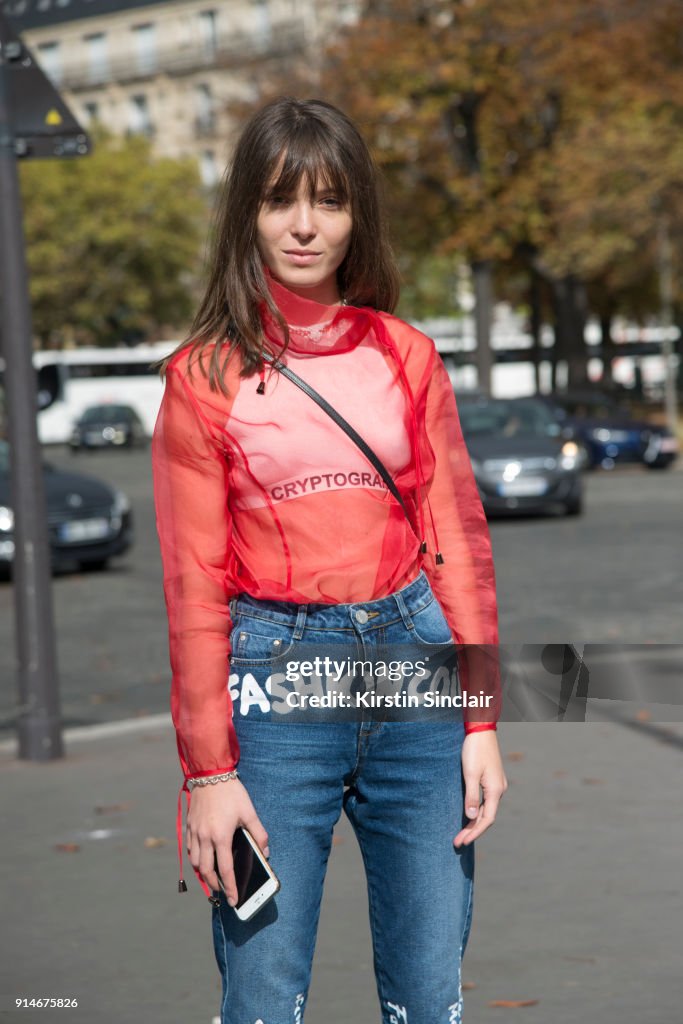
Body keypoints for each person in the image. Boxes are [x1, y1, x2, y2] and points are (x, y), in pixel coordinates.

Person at [152, 96, 507, 1024]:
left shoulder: (407, 356)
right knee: (264, 996)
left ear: (359, 217)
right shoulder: (201, 378)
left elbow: (458, 543)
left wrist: (480, 721)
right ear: (246, 214)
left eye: (330, 200)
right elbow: (194, 589)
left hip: (415, 671)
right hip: (273, 689)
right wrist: (206, 774)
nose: (305, 225)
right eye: (279, 200)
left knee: (429, 996)